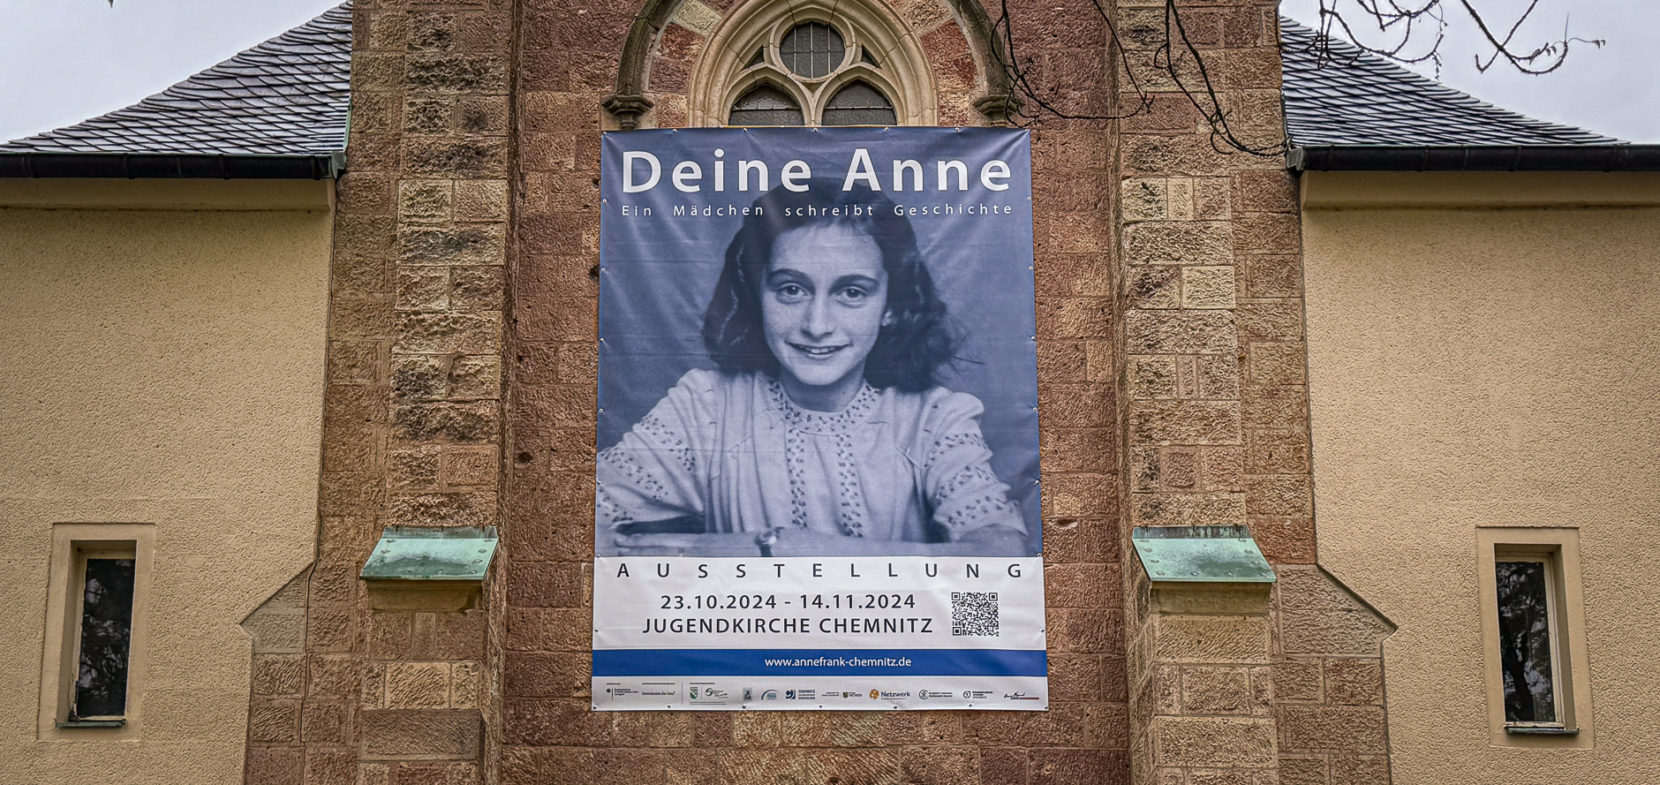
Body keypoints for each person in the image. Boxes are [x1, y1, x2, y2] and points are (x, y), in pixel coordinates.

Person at [598, 182, 1028, 557]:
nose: (816, 325)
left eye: (852, 292)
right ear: (756, 294)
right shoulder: (707, 405)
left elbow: (1000, 555)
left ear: (892, 307)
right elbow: (579, 521)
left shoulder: (933, 418)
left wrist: (781, 548)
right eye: (791, 289)